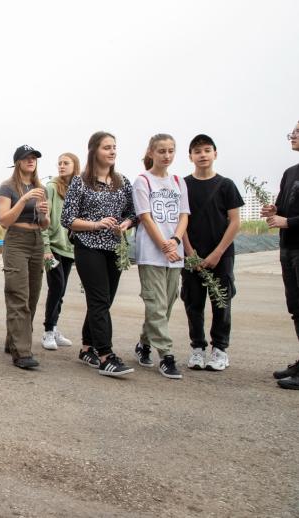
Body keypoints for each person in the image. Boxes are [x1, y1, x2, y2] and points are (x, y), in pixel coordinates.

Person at [61, 131, 137, 378]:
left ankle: (87, 348)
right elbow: (67, 219)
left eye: (114, 147)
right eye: (107, 147)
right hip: (88, 247)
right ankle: (106, 356)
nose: (112, 151)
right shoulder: (80, 182)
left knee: (104, 301)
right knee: (99, 301)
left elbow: (133, 213)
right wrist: (96, 224)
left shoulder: (122, 182)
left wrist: (125, 224)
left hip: (114, 248)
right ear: (94, 151)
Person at [181, 134, 243, 372]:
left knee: (221, 302)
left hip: (221, 256)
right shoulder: (183, 185)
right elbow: (181, 221)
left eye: (207, 150)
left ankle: (220, 350)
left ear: (215, 154)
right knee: (193, 302)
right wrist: (189, 252)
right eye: (197, 151)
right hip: (192, 255)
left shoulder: (226, 185)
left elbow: (235, 222)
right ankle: (197, 347)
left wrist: (218, 253)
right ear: (190, 157)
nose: (202, 155)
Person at [132, 134, 190, 379]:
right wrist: (164, 246)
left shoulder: (178, 181)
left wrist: (175, 241)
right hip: (151, 252)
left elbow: (184, 215)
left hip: (175, 252)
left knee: (166, 303)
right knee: (156, 304)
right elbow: (145, 217)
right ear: (151, 152)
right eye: (162, 151)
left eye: (171, 151)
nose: (167, 155)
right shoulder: (143, 181)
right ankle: (166, 355)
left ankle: (144, 343)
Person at [0, 146, 50, 369]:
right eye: (26, 158)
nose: (31, 161)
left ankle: (13, 341)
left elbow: (45, 223)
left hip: (36, 240)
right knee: (18, 294)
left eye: (34, 158)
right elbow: (4, 221)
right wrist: (23, 200)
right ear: (17, 161)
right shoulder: (7, 187)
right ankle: (22, 352)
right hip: (16, 240)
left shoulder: (41, 189)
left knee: (32, 297)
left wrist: (44, 214)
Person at [263, 121, 299, 390]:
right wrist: (273, 211)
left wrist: (288, 222)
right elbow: (283, 208)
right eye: (293, 132)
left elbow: (288, 219)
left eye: (297, 132)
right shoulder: (290, 173)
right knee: (296, 307)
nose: (293, 136)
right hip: (288, 248)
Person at [40, 153, 80, 351]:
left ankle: (54, 327)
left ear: (75, 165)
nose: (61, 166)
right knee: (56, 286)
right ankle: (48, 331)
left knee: (61, 291)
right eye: (59, 163)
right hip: (52, 248)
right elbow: (43, 219)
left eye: (66, 163)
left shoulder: (79, 189)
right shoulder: (51, 187)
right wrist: (45, 247)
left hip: (69, 249)